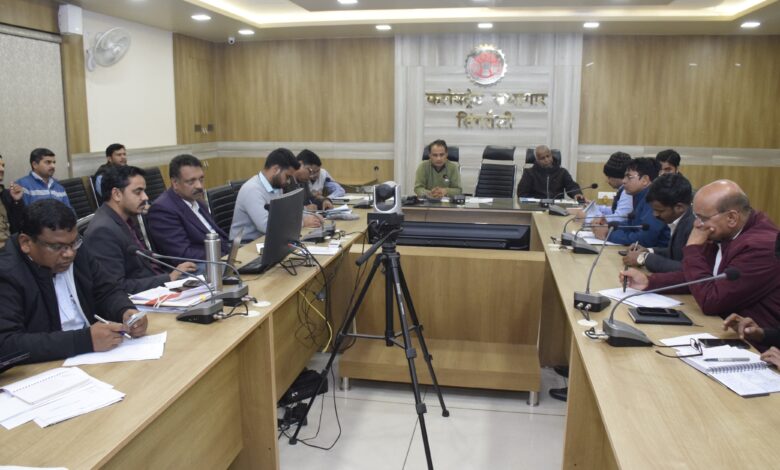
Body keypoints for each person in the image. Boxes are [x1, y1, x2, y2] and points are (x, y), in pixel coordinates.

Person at [0, 200, 148, 364]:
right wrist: (84, 340)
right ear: (26, 243)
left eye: (73, 243)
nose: (69, 253)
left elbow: (107, 291)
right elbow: (6, 344)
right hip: (47, 366)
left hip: (93, 356)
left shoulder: (78, 251)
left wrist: (125, 311)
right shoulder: (6, 273)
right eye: (57, 247)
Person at [621, 180, 780, 329]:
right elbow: (702, 277)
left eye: (703, 218)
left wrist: (693, 248)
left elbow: (711, 301)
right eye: (696, 216)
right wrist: (650, 282)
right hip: (721, 325)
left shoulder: (762, 247)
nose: (696, 224)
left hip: (753, 341)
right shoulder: (727, 233)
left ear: (732, 218)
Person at [84, 165, 197, 294]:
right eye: (138, 192)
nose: (145, 197)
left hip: (157, 284)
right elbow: (116, 287)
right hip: (142, 298)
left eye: (144, 191)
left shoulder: (126, 220)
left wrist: (173, 275)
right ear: (116, 194)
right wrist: (168, 278)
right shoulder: (102, 231)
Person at [146, 154, 229, 260]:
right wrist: (221, 256)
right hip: (199, 264)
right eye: (191, 181)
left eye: (201, 179)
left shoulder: (197, 201)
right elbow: (181, 253)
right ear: (175, 183)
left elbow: (217, 235)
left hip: (221, 256)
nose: (199, 186)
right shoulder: (162, 210)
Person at [230, 148, 322, 242]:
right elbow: (266, 226)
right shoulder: (252, 189)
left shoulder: (276, 187)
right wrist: (302, 222)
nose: (288, 181)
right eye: (287, 176)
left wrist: (311, 216)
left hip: (266, 240)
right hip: (245, 245)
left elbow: (287, 213)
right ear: (276, 169)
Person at [622, 173, 694, 273]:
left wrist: (643, 258)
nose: (655, 215)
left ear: (679, 207)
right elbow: (676, 252)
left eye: (660, 211)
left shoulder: (694, 227)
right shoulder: (682, 219)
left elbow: (687, 269)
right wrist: (648, 251)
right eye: (653, 209)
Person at [592, 157, 670, 248]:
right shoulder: (640, 196)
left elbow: (645, 239)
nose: (624, 181)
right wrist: (609, 225)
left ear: (645, 180)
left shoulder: (654, 200)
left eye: (629, 177)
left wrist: (608, 234)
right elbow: (632, 225)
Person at [576, 151, 632, 223]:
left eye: (609, 177)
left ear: (619, 176)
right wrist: (593, 207)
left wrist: (586, 218)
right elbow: (614, 210)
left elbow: (618, 218)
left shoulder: (628, 192)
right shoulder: (622, 190)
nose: (607, 181)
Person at [517, 145, 583, 201]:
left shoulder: (562, 172)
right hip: (536, 207)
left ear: (551, 155)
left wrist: (576, 193)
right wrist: (534, 202)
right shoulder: (529, 173)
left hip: (557, 207)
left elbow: (572, 186)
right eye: (542, 158)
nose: (546, 160)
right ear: (537, 160)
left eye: (548, 156)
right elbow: (522, 194)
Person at [0, 154, 25, 248]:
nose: (2, 169)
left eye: (3, 165)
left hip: (9, 247)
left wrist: (17, 201)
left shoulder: (7, 194)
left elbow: (20, 226)